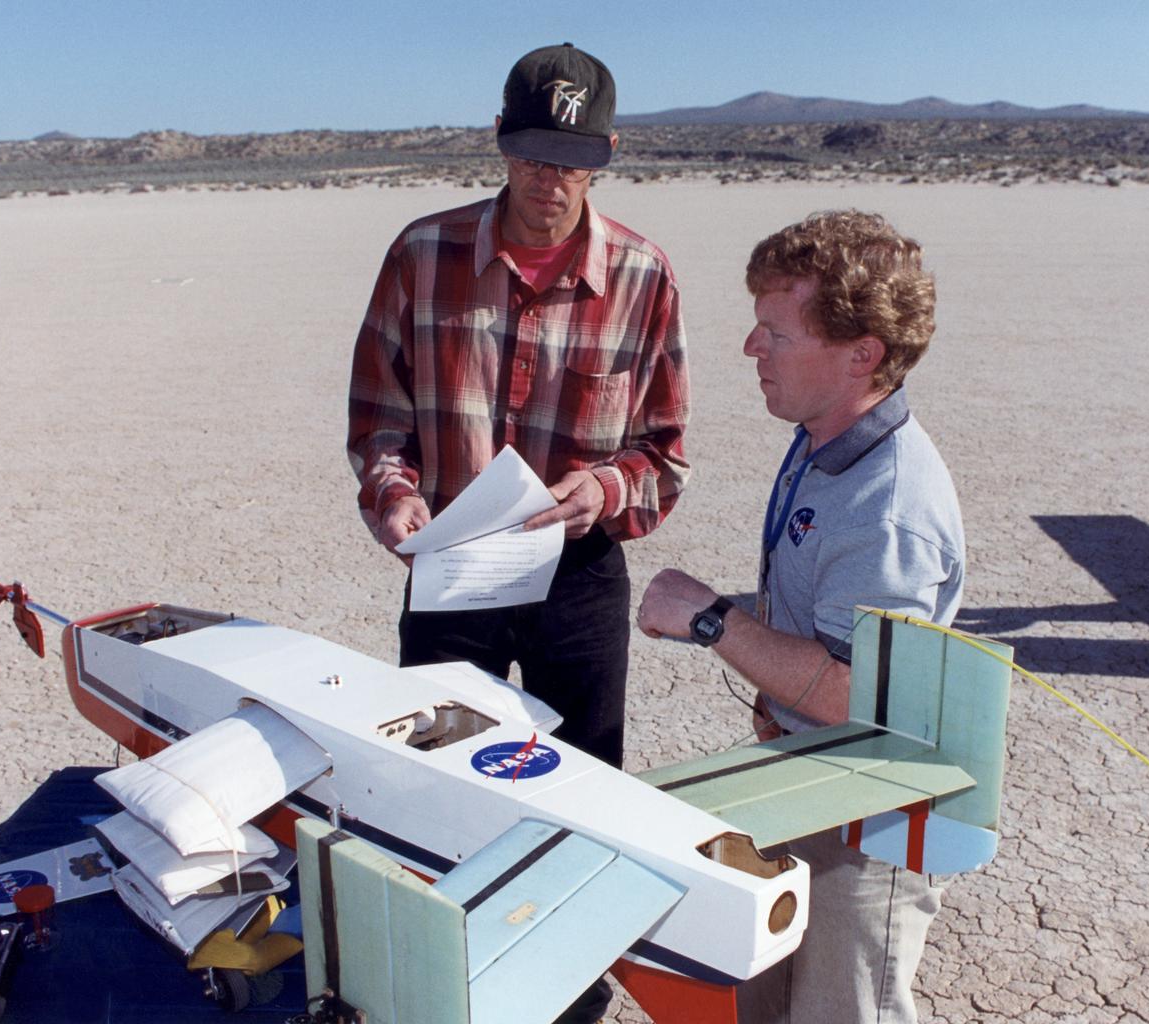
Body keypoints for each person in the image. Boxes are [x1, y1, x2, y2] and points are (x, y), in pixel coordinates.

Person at [347, 43, 690, 1022]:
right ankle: (434, 976)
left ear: (608, 152)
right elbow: (379, 413)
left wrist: (605, 489)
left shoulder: (642, 275)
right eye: (535, 153)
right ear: (500, 143)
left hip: (577, 577)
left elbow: (664, 455)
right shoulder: (422, 255)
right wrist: (394, 493)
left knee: (583, 789)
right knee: (429, 780)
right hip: (453, 563)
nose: (551, 180)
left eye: (573, 157)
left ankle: (568, 989)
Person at [636, 210, 963, 1024]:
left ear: (863, 355)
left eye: (775, 333)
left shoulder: (887, 507)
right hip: (806, 785)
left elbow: (862, 699)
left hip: (866, 824)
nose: (752, 349)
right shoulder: (822, 437)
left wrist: (713, 620)